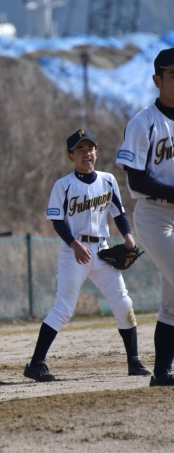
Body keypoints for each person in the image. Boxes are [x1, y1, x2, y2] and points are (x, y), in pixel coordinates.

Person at [24, 129, 151, 382]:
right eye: (80, 150)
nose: (86, 153)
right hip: (74, 252)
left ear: (97, 152)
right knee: (63, 308)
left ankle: (134, 362)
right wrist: (74, 244)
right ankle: (35, 364)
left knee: (123, 303)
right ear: (70, 156)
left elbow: (118, 213)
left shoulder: (108, 180)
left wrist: (128, 236)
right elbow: (57, 221)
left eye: (90, 148)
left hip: (102, 250)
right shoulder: (63, 185)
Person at [115, 47, 174, 386]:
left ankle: (162, 373)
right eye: (173, 75)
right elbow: (136, 178)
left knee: (172, 303)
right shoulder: (144, 122)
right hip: (155, 214)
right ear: (157, 80)